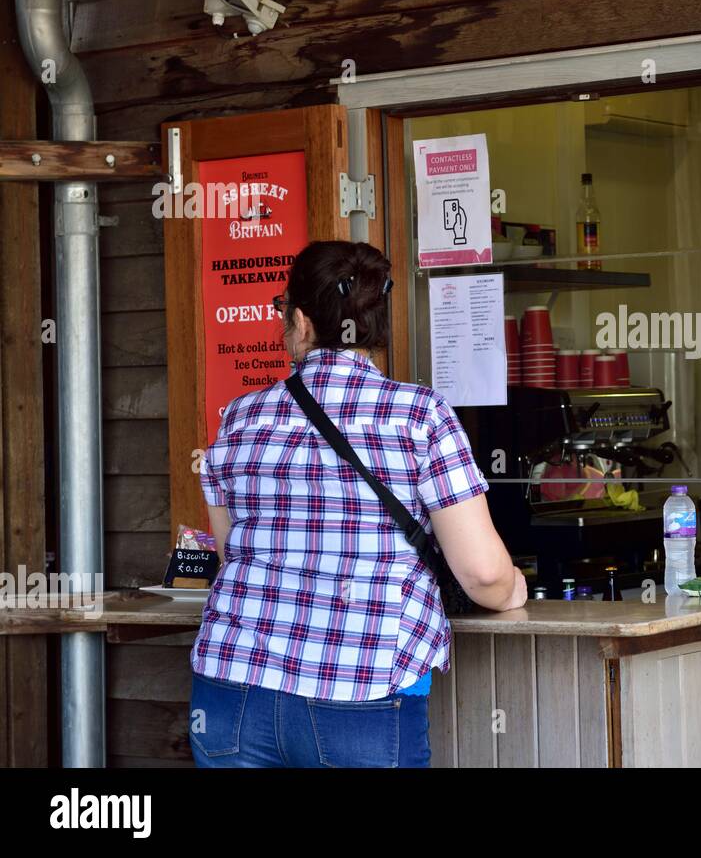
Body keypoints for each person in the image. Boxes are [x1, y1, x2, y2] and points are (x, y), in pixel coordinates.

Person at [190, 240, 526, 767]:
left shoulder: (240, 417)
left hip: (232, 690)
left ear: (300, 321)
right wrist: (516, 588)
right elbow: (484, 575)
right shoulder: (419, 416)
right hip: (363, 690)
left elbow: (230, 551)